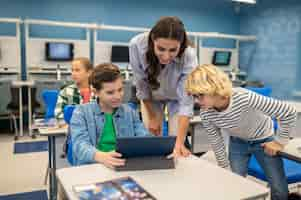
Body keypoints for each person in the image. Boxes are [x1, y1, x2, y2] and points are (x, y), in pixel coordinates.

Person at [184, 64, 297, 200]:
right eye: (194, 96)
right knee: (234, 184)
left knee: (278, 186)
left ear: (215, 88)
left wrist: (279, 142)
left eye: (200, 95)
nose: (196, 101)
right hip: (237, 142)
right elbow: (216, 141)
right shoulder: (206, 113)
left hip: (264, 140)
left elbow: (288, 112)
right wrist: (224, 167)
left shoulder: (244, 97)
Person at [129, 16, 198, 156]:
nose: (166, 56)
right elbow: (141, 84)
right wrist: (153, 117)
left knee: (176, 141)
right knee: (153, 137)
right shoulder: (137, 45)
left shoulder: (189, 54)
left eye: (173, 50)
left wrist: (179, 144)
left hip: (176, 98)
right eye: (161, 49)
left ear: (181, 45)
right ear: (153, 40)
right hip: (151, 96)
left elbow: (186, 101)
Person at [70, 63, 151, 167]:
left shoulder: (129, 111)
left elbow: (143, 137)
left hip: (123, 164)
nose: (118, 96)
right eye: (110, 92)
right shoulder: (81, 112)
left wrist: (157, 148)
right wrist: (101, 156)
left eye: (120, 90)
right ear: (95, 92)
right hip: (93, 167)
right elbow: (80, 146)